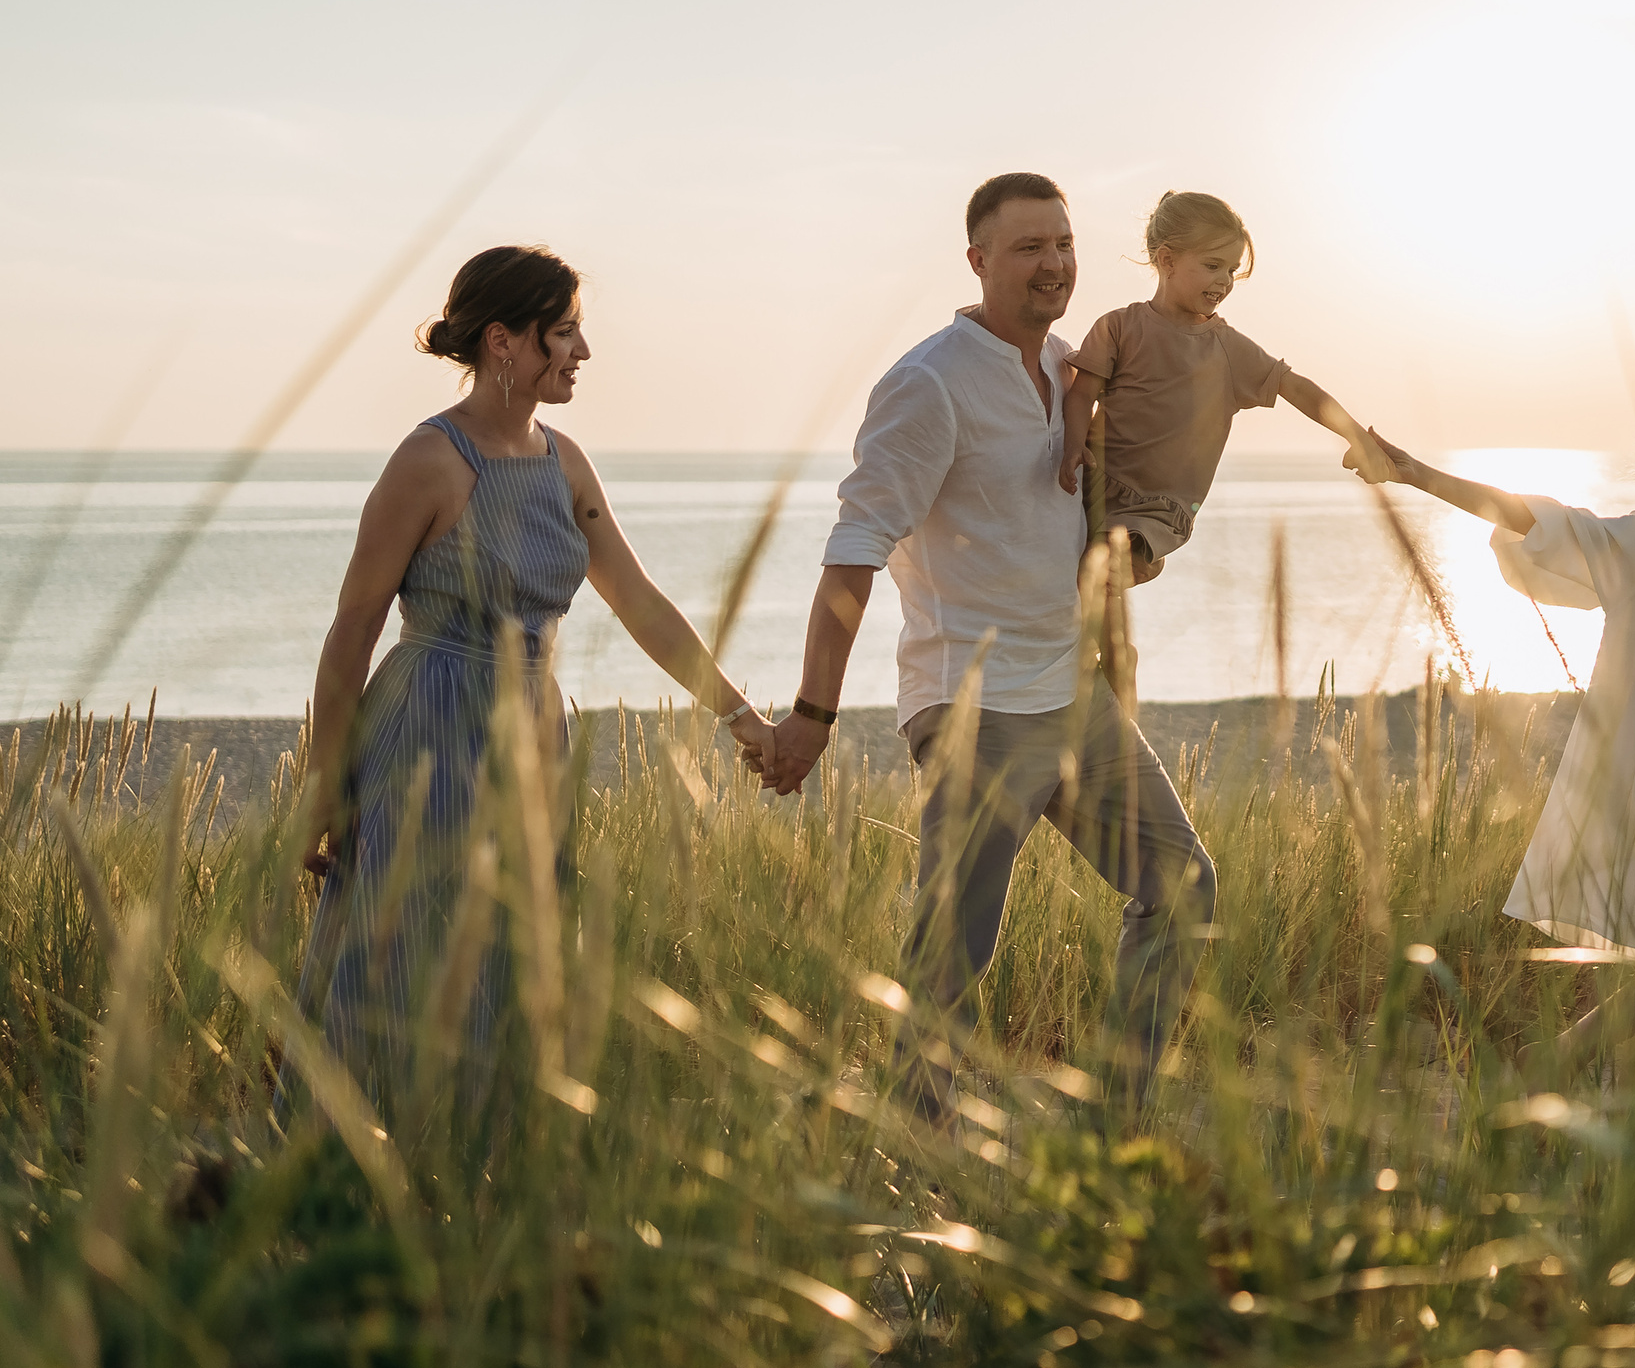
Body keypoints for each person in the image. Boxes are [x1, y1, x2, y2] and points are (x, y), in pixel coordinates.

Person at [756, 173, 1216, 1117]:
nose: (1053, 265)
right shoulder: (929, 383)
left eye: (1063, 243)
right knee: (952, 957)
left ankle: (1112, 1122)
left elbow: (1065, 523)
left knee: (1181, 887)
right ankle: (912, 1158)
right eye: (1027, 248)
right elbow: (852, 556)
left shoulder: (1074, 370)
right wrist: (812, 715)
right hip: (975, 705)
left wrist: (1127, 557)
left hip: (1072, 695)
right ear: (977, 262)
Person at [295, 245, 774, 1106]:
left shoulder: (566, 460)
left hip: (530, 739)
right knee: (408, 952)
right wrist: (321, 784)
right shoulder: (428, 461)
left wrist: (738, 715)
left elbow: (639, 602)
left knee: (511, 954)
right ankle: (361, 1169)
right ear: (502, 341)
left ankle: (477, 1167)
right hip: (426, 735)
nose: (583, 352)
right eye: (564, 332)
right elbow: (351, 630)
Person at [1371, 419, 1635, 1055]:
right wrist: (1415, 472)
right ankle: (1551, 1065)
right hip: (1634, 804)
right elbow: (1529, 515)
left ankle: (1572, 1080)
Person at [1056, 190, 1391, 583]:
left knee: (1116, 563)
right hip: (1095, 484)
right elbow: (1081, 396)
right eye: (1213, 265)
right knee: (1070, 579)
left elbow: (1297, 388)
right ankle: (1112, 644)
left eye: (1232, 270)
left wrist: (1356, 436)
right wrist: (1072, 447)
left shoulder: (1227, 349)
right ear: (1167, 260)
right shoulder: (1118, 328)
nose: (1224, 281)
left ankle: (1118, 615)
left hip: (1159, 508)